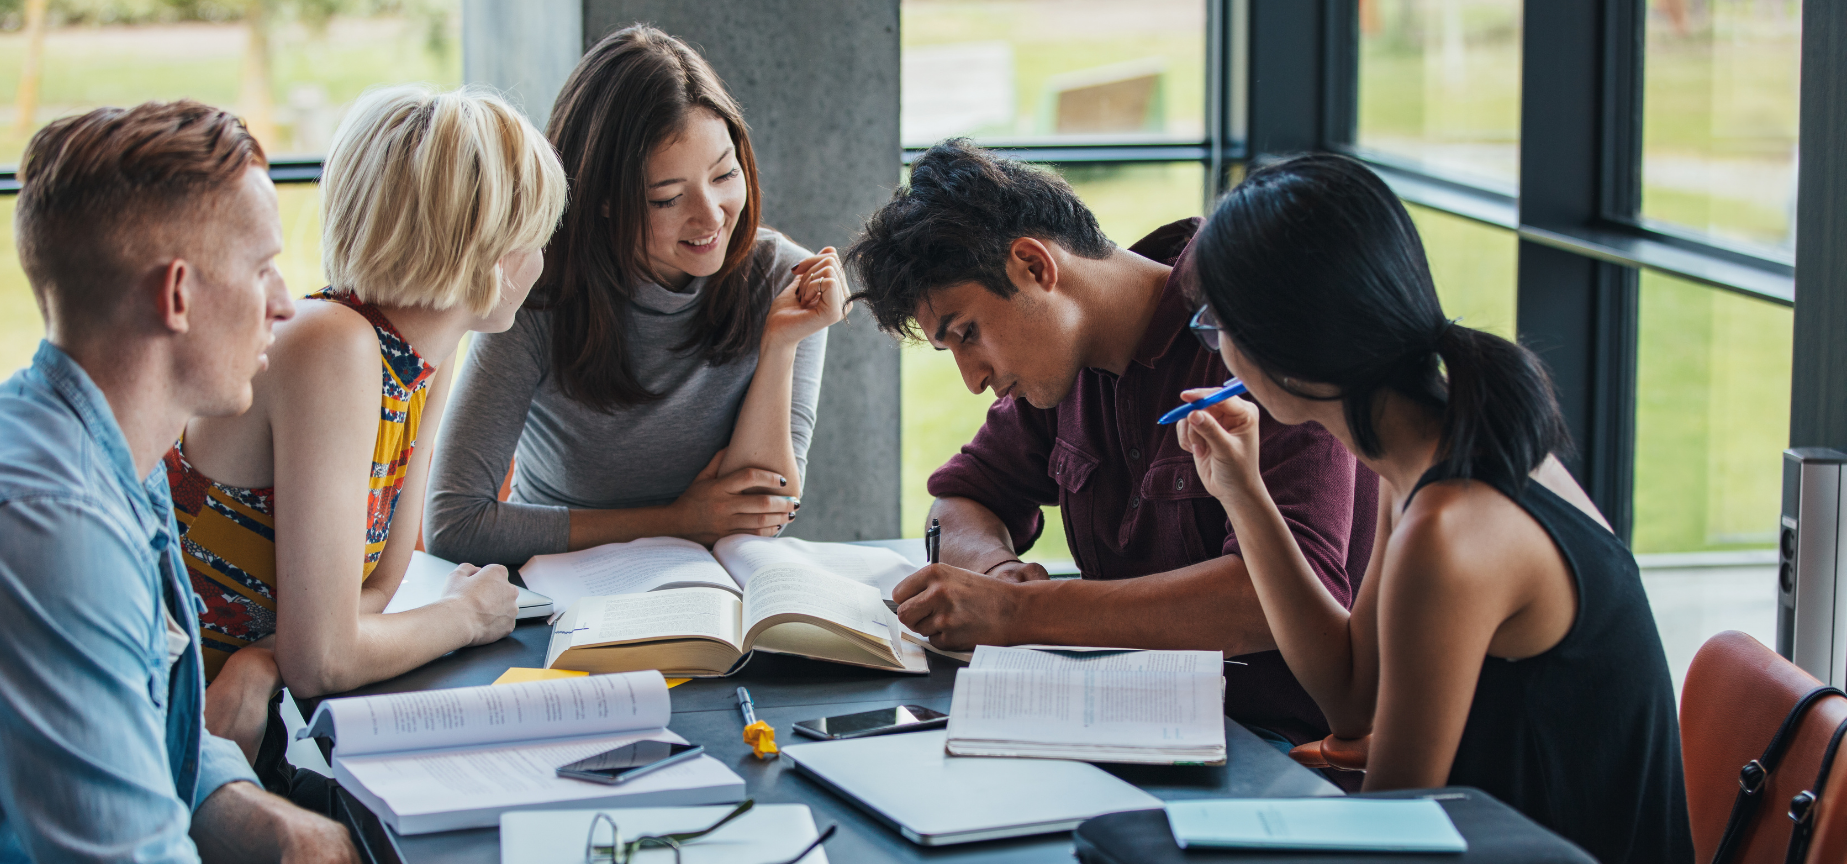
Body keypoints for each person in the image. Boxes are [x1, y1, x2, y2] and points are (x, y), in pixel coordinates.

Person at [1172, 153, 1689, 861]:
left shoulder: (1448, 532)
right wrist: (1245, 496)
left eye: (1216, 328)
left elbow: (1389, 833)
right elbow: (1353, 696)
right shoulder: (1440, 448)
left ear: (1285, 354)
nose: (1218, 351)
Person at [0, 101, 354, 861]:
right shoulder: (49, 528)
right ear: (177, 295)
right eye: (262, 269)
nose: (286, 304)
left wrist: (259, 815)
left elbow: (145, 715)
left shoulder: (103, 447)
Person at [849, 140, 1377, 747]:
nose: (973, 380)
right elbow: (963, 498)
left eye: (968, 333)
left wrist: (1020, 615)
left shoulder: (1249, 332)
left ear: (1034, 266)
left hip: (1283, 747)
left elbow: (1272, 601)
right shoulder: (1060, 373)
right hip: (1125, 719)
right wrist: (997, 574)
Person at [173, 85, 567, 796]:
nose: (541, 257)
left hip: (244, 711)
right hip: (171, 720)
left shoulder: (424, 357)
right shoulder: (334, 346)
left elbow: (379, 584)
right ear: (489, 249)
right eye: (534, 233)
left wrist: (268, 659)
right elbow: (324, 658)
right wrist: (464, 615)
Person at [424, 25, 848, 568]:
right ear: (602, 199)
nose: (711, 216)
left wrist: (781, 345)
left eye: (725, 174)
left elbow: (764, 508)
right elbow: (453, 522)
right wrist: (677, 522)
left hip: (708, 590)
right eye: (668, 199)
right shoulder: (535, 290)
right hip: (559, 595)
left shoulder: (781, 277)